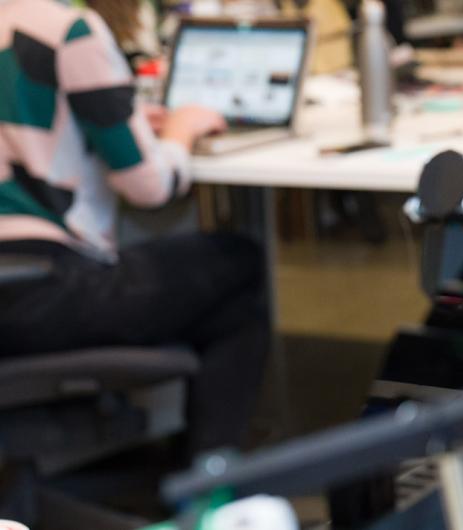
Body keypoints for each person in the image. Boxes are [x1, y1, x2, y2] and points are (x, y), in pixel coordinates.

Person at [0, 0, 269, 456]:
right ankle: (210, 489)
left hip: (17, 286)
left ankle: (191, 473)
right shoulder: (68, 30)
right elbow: (149, 187)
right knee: (237, 262)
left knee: (212, 294)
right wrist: (180, 132)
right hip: (44, 289)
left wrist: (121, 123)